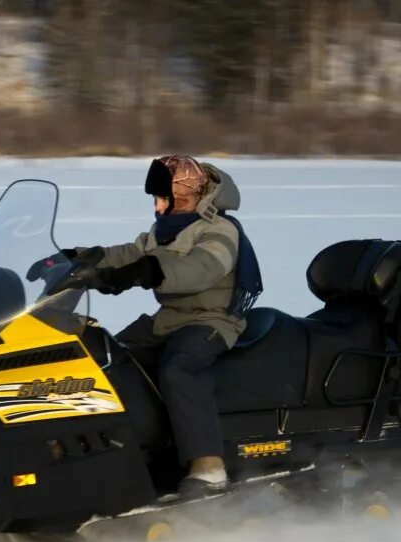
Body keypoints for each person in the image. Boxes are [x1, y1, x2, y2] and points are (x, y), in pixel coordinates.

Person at [35, 155, 253, 498]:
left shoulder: (220, 231)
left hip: (211, 320)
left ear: (186, 196)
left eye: (163, 198)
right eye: (155, 199)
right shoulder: (163, 230)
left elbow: (202, 268)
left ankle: (208, 467)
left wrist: (147, 272)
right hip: (169, 320)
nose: (157, 206)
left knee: (180, 370)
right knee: (106, 360)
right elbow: (126, 254)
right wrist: (72, 258)